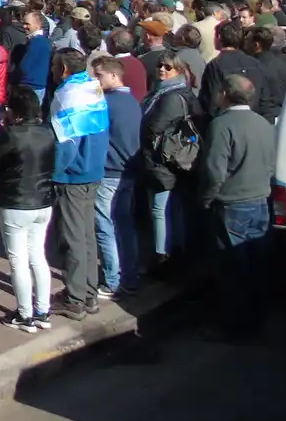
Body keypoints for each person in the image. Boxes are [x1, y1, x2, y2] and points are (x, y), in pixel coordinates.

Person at [197, 74, 276, 341]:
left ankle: (234, 328)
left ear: (226, 94)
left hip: (232, 205)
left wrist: (206, 199)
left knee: (233, 271)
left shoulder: (222, 125)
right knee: (256, 268)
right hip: (260, 201)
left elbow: (214, 171)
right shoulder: (263, 123)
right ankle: (257, 323)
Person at [47, 49, 110, 320]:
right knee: (85, 236)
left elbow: (66, 143)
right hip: (94, 168)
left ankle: (75, 299)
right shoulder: (92, 86)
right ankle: (88, 292)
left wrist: (53, 173)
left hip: (73, 174)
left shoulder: (66, 95)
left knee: (73, 238)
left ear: (62, 69)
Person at [0, 85, 56, 332]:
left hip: (16, 202)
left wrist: (3, 126)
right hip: (43, 201)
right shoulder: (48, 132)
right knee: (37, 255)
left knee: (18, 260)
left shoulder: (10, 136)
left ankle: (24, 313)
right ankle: (42, 310)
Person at [141, 51, 197, 277]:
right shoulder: (164, 92)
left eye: (167, 67)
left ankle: (163, 258)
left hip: (165, 161)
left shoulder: (172, 96)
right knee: (170, 210)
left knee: (161, 210)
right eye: (159, 66)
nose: (161, 70)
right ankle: (172, 254)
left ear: (180, 71)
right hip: (170, 160)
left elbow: (154, 126)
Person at [91, 57, 141, 299]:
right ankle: (130, 277)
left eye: (99, 76)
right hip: (128, 172)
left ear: (113, 76)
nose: (96, 80)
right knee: (124, 225)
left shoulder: (105, 103)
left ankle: (112, 281)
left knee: (105, 227)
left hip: (109, 172)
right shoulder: (132, 102)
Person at [14, 11, 52, 96]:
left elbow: (25, 66)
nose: (24, 26)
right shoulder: (45, 40)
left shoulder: (36, 41)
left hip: (31, 86)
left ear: (37, 25)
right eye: (23, 23)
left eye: (28, 24)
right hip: (39, 85)